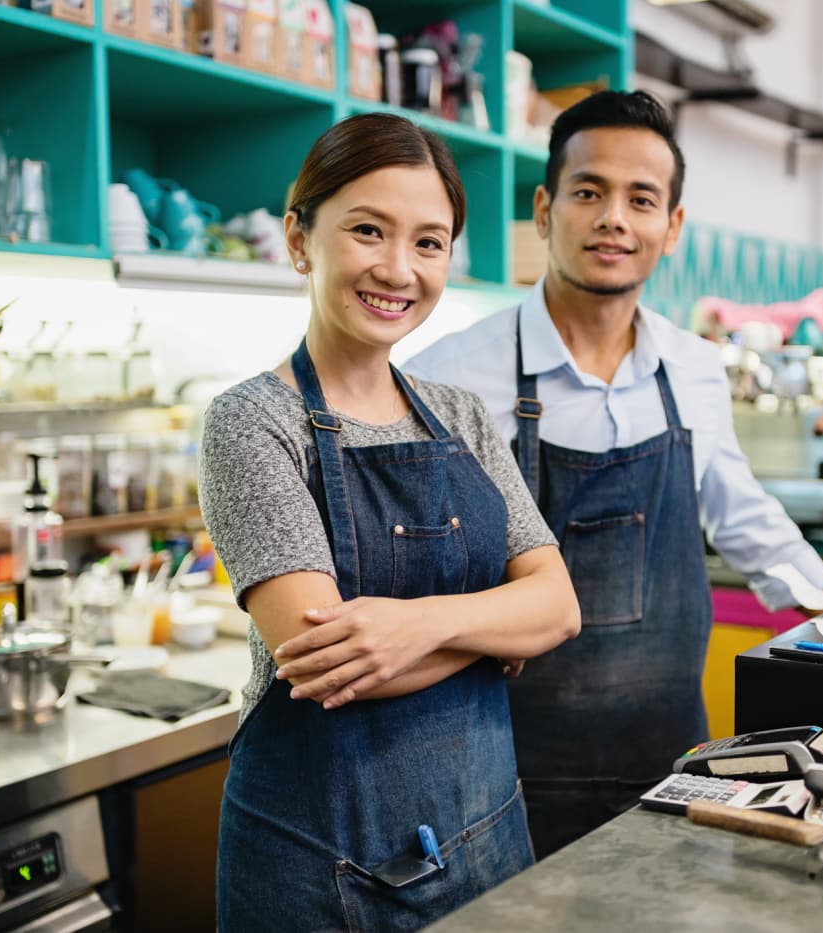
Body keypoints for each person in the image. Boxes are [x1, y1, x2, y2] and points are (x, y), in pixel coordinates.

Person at [405, 90, 823, 858]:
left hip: (674, 761)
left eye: (641, 199)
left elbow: (740, 513)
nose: (614, 218)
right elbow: (413, 562)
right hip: (499, 768)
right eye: (588, 192)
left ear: (671, 227)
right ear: (544, 209)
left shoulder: (696, 369)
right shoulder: (451, 376)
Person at [199, 112, 581, 932]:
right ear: (300, 239)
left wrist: (419, 627)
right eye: (368, 230)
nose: (399, 269)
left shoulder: (462, 415)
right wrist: (495, 630)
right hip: (316, 872)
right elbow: (327, 662)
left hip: (486, 846)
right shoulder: (250, 423)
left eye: (430, 242)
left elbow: (559, 606)